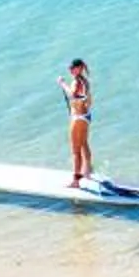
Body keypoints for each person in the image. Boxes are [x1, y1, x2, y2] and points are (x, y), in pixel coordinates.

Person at [61, 58, 93, 186]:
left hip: (78, 118)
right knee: (84, 143)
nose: (70, 70)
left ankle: (76, 181)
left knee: (75, 150)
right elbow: (89, 100)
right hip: (86, 115)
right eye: (69, 68)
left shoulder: (76, 81)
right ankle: (87, 172)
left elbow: (73, 95)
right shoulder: (85, 81)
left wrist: (62, 83)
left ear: (79, 68)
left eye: (72, 68)